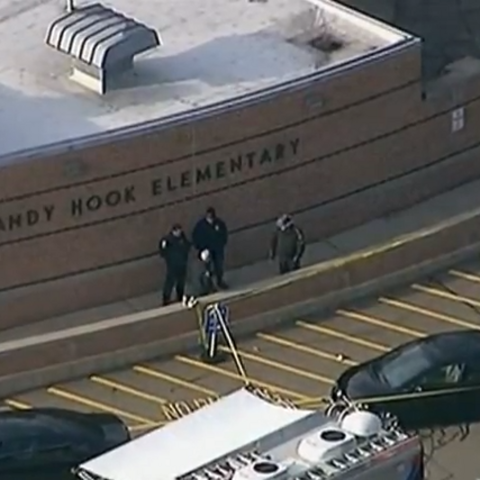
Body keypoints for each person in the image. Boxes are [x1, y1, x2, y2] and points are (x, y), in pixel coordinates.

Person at [192, 207, 229, 289]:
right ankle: (209, 285)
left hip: (217, 249)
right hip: (206, 250)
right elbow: (195, 237)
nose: (211, 220)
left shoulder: (219, 223)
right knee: (207, 268)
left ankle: (219, 281)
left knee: (219, 266)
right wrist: (200, 248)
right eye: (209, 218)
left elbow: (224, 234)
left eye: (212, 218)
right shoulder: (201, 226)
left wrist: (222, 244)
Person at [159, 223, 191, 306]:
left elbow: (187, 246)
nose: (179, 232)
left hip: (182, 264)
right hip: (172, 265)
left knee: (181, 282)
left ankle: (180, 296)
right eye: (178, 231)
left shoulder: (183, 238)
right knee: (170, 282)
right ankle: (166, 298)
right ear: (174, 231)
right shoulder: (168, 240)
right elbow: (163, 252)